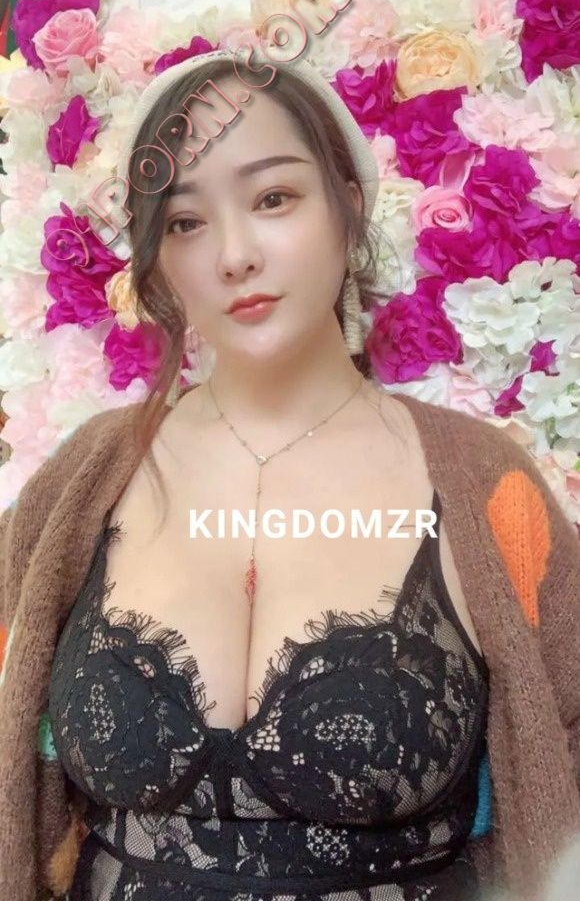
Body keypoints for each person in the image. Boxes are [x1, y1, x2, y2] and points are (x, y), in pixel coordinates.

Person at [0, 49, 578, 901]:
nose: (234, 255)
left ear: (348, 205)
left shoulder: (485, 486)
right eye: (185, 222)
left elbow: (564, 744)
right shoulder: (83, 483)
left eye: (273, 198)